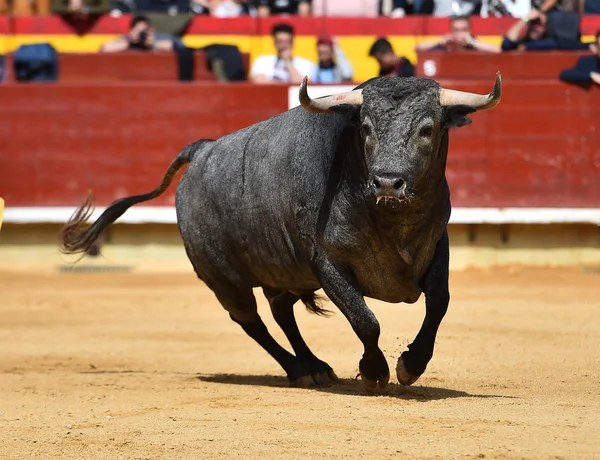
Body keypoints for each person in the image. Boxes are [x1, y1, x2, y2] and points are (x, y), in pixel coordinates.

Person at [249, 23, 316, 84]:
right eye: (280, 41)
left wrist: (288, 62)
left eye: (287, 41)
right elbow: (258, 81)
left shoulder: (305, 63)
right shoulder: (262, 60)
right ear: (274, 42)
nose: (283, 45)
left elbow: (303, 87)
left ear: (292, 42)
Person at [501, 9, 594, 51]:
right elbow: (506, 44)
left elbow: (558, 44)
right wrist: (525, 19)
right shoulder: (524, 41)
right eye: (533, 23)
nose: (536, 28)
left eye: (540, 25)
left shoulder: (552, 40)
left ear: (546, 28)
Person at [415, 15, 501, 53]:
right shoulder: (446, 45)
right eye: (456, 30)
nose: (460, 34)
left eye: (464, 30)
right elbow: (418, 48)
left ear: (469, 30)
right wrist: (439, 42)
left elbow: (497, 50)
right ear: (451, 31)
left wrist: (472, 42)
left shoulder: (474, 44)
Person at [100, 15, 180, 52]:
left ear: (151, 30)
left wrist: (154, 44)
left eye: (144, 30)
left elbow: (179, 46)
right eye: (138, 30)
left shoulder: (159, 37)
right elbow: (105, 48)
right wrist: (129, 43)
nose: (141, 33)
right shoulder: (128, 40)